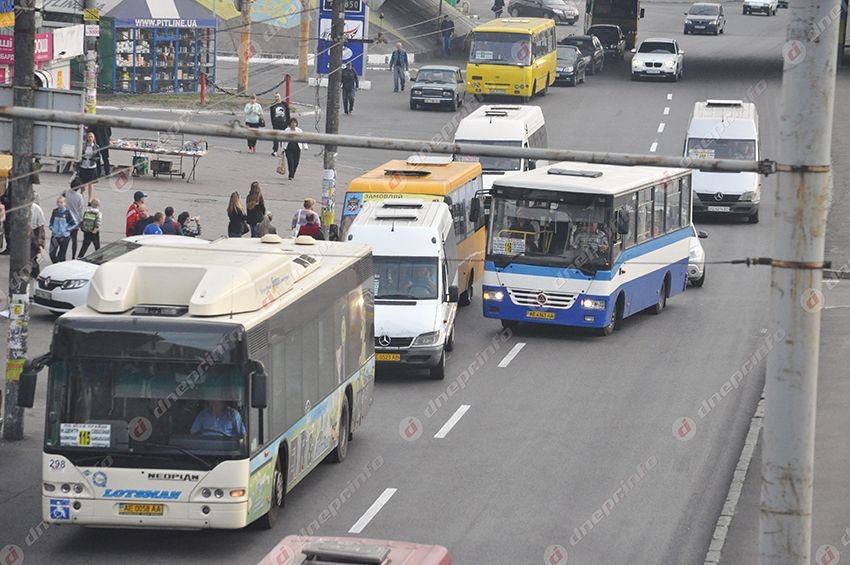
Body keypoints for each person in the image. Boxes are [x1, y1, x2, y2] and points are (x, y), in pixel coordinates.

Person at [48, 195, 78, 264]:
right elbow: (51, 221)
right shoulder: (55, 211)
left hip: (65, 237)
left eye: (61, 202)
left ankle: (60, 266)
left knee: (61, 255)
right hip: (55, 236)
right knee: (52, 253)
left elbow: (75, 223)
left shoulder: (68, 213)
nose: (59, 204)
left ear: (65, 203)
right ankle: (55, 264)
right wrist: (51, 227)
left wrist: (67, 229)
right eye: (58, 202)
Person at [78, 131, 101, 203]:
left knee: (91, 184)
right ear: (87, 138)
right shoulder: (83, 146)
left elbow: (98, 157)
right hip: (83, 165)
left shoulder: (96, 147)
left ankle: (90, 199)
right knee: (82, 184)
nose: (90, 138)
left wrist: (94, 159)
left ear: (94, 138)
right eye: (89, 137)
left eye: (91, 137)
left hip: (92, 166)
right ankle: (80, 196)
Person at [63, 184, 84, 259]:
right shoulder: (79, 196)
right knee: (74, 239)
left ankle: (63, 255)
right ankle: (73, 256)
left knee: (65, 238)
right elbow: (80, 209)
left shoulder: (66, 193)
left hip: (66, 218)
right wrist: (81, 220)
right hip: (75, 219)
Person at [30, 197, 46, 278]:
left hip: (34, 231)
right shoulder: (23, 208)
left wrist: (40, 238)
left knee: (33, 254)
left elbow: (41, 225)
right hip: (26, 230)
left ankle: (35, 272)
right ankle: (31, 271)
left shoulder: (37, 209)